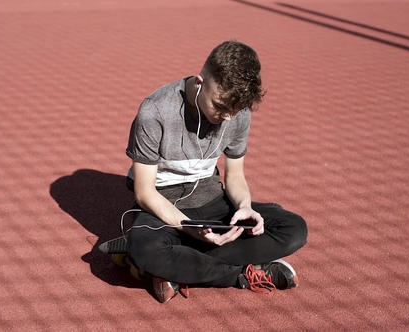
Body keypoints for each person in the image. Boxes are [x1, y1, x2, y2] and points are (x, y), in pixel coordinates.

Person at [124, 40, 307, 303]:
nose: (227, 118)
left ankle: (177, 264)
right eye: (219, 107)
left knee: (294, 228)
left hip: (213, 203)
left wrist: (244, 206)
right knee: (145, 249)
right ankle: (241, 276)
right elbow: (144, 193)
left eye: (233, 111)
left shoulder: (237, 112)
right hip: (164, 207)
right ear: (199, 83)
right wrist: (188, 228)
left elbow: (234, 175)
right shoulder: (154, 112)